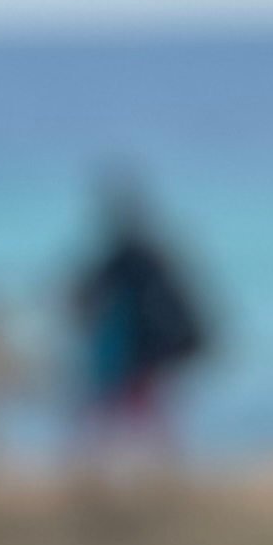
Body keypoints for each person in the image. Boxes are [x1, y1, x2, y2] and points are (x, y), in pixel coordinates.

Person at [66, 175, 216, 456]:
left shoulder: (127, 259)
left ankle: (95, 458)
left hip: (149, 346)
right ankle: (160, 459)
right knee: (138, 405)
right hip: (166, 343)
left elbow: (89, 292)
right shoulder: (154, 257)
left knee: (120, 403)